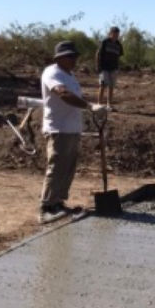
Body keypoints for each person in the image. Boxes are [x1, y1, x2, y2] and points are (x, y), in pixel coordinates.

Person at [40, 41, 107, 224]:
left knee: (67, 168)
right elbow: (63, 94)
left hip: (71, 128)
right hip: (58, 128)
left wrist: (90, 110)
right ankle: (46, 207)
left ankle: (58, 203)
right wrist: (89, 106)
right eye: (70, 56)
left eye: (75, 56)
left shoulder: (70, 75)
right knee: (56, 167)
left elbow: (74, 97)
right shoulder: (52, 73)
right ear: (59, 57)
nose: (74, 59)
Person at [96, 26, 124, 110]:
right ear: (110, 33)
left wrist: (117, 66)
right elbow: (98, 54)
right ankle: (99, 104)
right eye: (114, 33)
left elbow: (118, 56)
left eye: (117, 34)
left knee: (111, 86)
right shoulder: (105, 42)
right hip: (104, 67)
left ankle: (109, 105)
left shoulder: (118, 44)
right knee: (103, 84)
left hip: (113, 68)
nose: (115, 35)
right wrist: (98, 66)